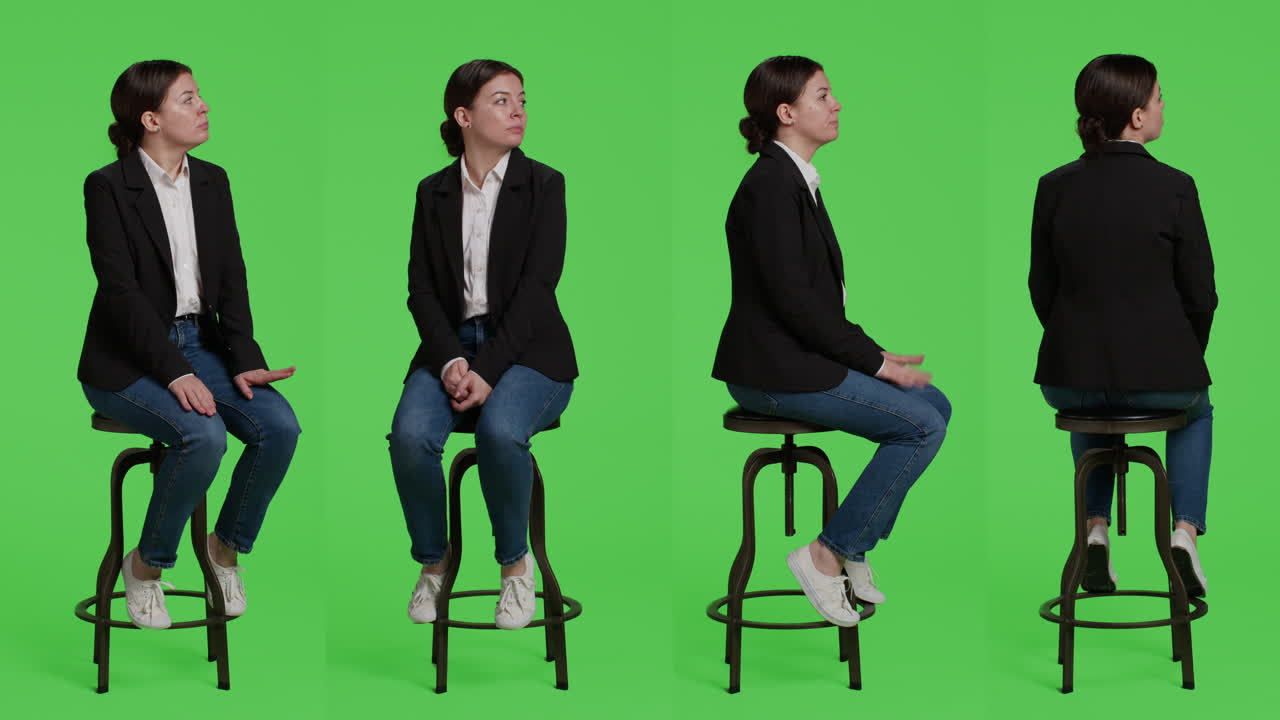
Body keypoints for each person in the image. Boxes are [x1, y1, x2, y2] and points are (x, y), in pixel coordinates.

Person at [713, 56, 951, 627]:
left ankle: (853, 547)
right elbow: (794, 304)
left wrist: (879, 357)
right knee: (922, 425)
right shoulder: (770, 186)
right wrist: (876, 365)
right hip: (773, 375)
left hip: (798, 358)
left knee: (935, 404)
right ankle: (827, 553)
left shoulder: (794, 180)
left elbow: (816, 305)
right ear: (786, 111)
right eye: (822, 95)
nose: (836, 103)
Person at [79, 60, 301, 629]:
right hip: (126, 360)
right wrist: (177, 372)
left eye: (200, 96)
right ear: (151, 119)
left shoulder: (212, 179)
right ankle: (146, 567)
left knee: (279, 428)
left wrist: (246, 362)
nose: (203, 106)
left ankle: (223, 551)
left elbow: (232, 277)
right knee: (201, 436)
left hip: (203, 341)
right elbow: (120, 292)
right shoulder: (108, 186)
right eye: (188, 99)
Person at [388, 59, 576, 630]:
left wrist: (486, 372)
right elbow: (419, 289)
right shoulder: (432, 192)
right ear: (463, 115)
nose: (517, 110)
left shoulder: (544, 184)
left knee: (499, 431)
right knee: (409, 436)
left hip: (531, 352)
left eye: (521, 98)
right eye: (500, 100)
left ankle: (515, 571)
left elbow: (538, 290)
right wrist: (450, 361)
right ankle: (433, 563)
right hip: (450, 347)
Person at [1032, 53, 1216, 597]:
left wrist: (1072, 339)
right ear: (1136, 117)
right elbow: (1202, 295)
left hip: (1068, 375)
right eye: (1159, 98)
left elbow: (1041, 287)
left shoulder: (1053, 185)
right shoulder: (1176, 187)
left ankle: (1094, 528)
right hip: (1163, 374)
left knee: (1092, 392)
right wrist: (1182, 355)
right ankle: (1184, 533)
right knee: (1196, 410)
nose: (1163, 106)